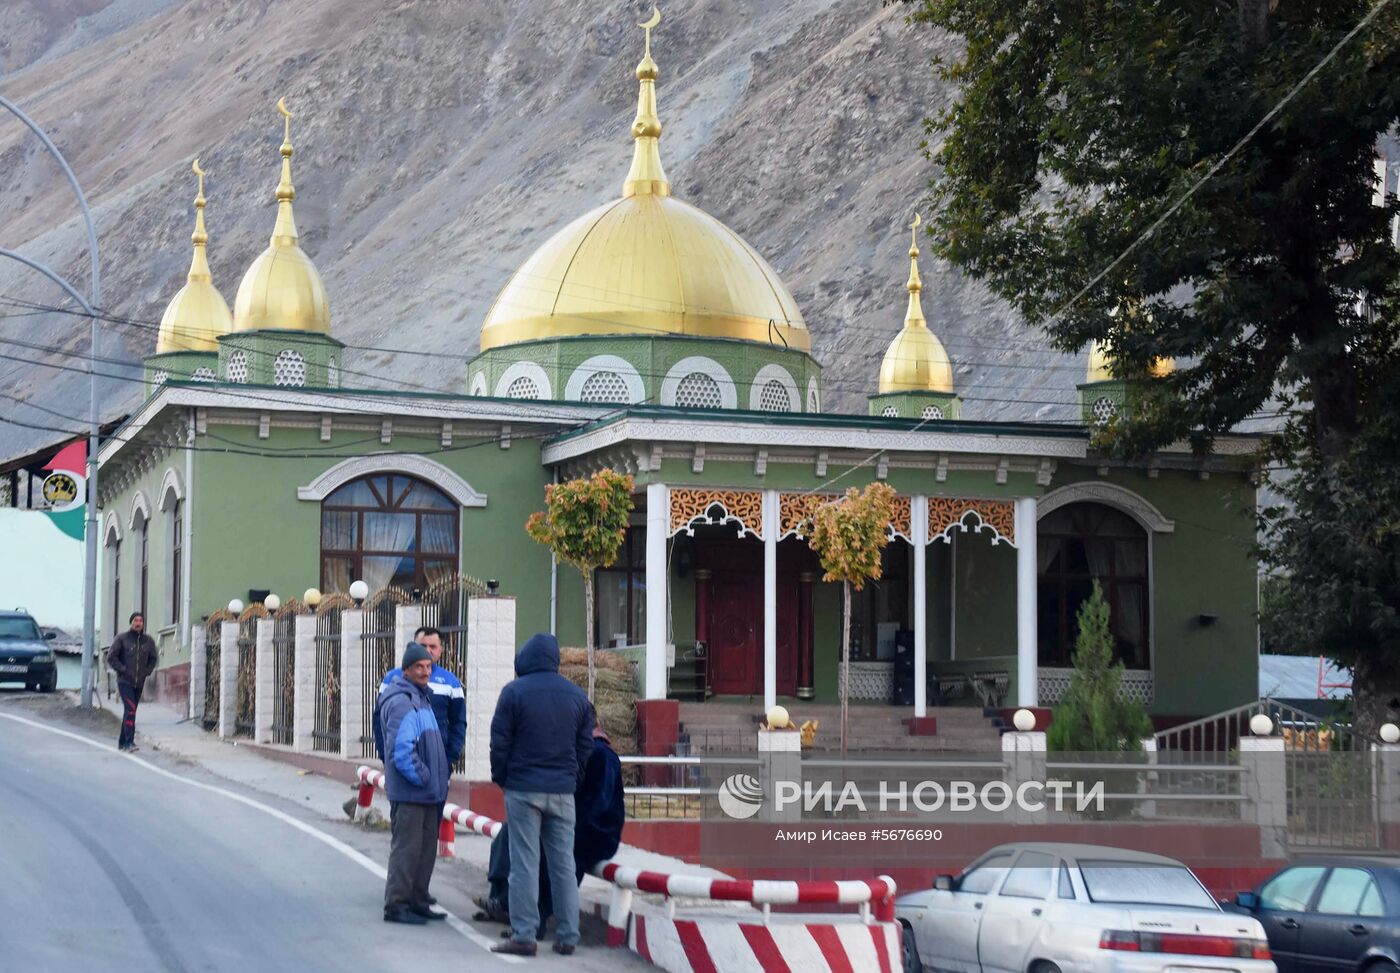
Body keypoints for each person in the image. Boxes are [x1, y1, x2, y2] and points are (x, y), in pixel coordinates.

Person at [489, 633, 593, 957]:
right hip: (562, 791)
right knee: (563, 864)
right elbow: (585, 745)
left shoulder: (513, 692)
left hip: (523, 789)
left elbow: (500, 743)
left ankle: (524, 935)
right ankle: (568, 936)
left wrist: (502, 777)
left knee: (524, 863)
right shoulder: (577, 696)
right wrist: (572, 778)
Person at [478, 706, 625, 931]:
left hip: (595, 831)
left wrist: (560, 825)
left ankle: (537, 920)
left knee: (550, 853)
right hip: (567, 822)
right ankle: (502, 901)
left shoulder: (602, 755)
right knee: (510, 833)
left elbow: (598, 804)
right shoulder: (577, 750)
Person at [375, 643, 451, 925]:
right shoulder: (402, 701)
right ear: (406, 669)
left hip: (426, 793)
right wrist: (426, 778)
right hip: (412, 792)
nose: (425, 671)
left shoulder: (421, 698)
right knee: (407, 850)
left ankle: (418, 900)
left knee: (424, 850)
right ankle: (396, 905)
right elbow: (402, 751)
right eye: (419, 666)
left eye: (428, 666)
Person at [374, 626, 466, 769]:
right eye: (423, 646)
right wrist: (385, 756)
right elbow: (378, 718)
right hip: (399, 762)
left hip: (437, 762)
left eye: (433, 646)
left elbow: (458, 723)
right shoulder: (392, 678)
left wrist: (448, 759)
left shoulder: (451, 682)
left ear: (441, 650)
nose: (428, 650)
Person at [107, 612, 157, 752]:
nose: (138, 623)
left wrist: (147, 671)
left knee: (131, 711)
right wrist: (122, 669)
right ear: (131, 622)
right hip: (125, 681)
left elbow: (153, 658)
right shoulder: (122, 639)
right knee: (130, 710)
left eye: (141, 621)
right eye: (135, 620)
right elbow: (111, 657)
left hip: (139, 682)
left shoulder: (148, 641)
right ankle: (129, 742)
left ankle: (122, 742)